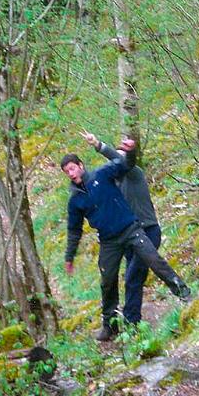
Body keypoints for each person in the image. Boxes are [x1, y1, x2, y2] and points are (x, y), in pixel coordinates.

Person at [61, 138, 191, 341]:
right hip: (108, 241)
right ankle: (110, 325)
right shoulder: (75, 200)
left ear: (80, 166)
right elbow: (74, 230)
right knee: (107, 280)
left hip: (131, 229)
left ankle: (183, 292)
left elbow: (124, 164)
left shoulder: (102, 175)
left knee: (153, 259)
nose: (71, 173)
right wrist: (70, 256)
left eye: (72, 168)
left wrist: (129, 151)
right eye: (67, 171)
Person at [81, 131, 159, 327]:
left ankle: (132, 323)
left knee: (133, 277)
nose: (116, 163)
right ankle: (127, 319)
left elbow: (122, 160)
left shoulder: (134, 174)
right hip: (129, 235)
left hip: (147, 232)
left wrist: (99, 144)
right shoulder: (114, 185)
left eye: (119, 159)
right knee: (132, 277)